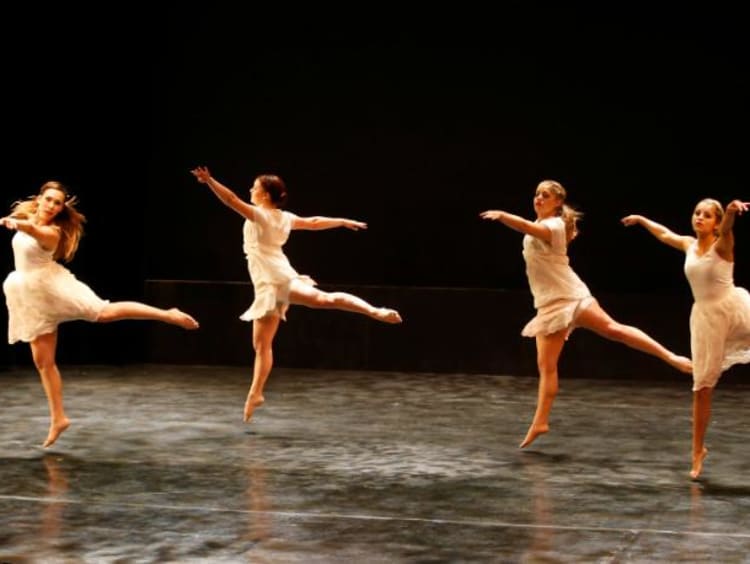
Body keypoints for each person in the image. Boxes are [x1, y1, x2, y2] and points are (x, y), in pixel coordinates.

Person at [480, 180, 692, 449]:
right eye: (536, 194)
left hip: (571, 296)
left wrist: (502, 216)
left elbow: (526, 226)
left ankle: (671, 357)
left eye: (545, 195)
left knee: (613, 330)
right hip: (549, 304)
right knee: (546, 367)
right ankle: (540, 422)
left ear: (558, 202)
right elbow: (529, 229)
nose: (538, 198)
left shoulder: (554, 226)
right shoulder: (551, 225)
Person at [190, 166, 402, 422]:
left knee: (282, 331)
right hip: (274, 281)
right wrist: (341, 221)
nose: (250, 190)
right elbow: (313, 222)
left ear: (266, 195)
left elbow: (231, 200)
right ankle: (255, 393)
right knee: (267, 340)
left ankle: (373, 310)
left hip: (274, 281)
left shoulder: (260, 215)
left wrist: (210, 181)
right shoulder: (284, 217)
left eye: (255, 187)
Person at [2, 181, 199, 448]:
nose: (51, 206)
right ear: (40, 198)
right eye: (48, 199)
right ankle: (58, 418)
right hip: (29, 294)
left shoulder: (52, 232)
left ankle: (167, 314)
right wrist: (18, 221)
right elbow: (28, 224)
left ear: (61, 208)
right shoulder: (27, 215)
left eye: (57, 203)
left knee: (104, 312)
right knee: (43, 361)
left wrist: (18, 224)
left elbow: (34, 231)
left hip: (51, 287)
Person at [622, 199, 750, 479]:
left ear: (715, 223)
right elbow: (665, 234)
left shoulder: (722, 246)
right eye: (697, 213)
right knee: (702, 387)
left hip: (735, 309)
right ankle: (697, 451)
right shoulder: (688, 245)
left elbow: (728, 229)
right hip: (707, 320)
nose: (700, 218)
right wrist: (642, 220)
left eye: (707, 215)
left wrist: (729, 213)